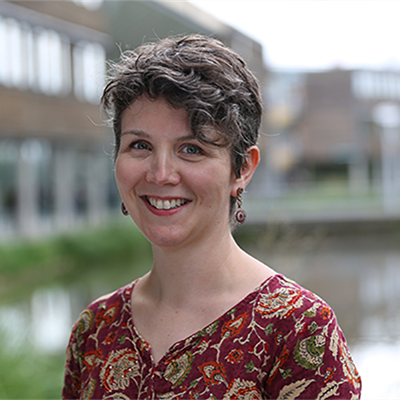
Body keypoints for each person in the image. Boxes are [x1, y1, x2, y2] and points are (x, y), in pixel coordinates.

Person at [62, 34, 361, 399]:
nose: (160, 174)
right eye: (140, 145)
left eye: (192, 149)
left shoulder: (298, 329)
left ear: (242, 170)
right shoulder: (95, 330)